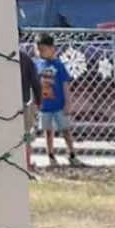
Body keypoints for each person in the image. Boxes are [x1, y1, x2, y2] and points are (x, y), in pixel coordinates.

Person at [35, 32, 78, 167]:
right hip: (45, 106)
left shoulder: (59, 65)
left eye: (44, 49)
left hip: (59, 105)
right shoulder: (37, 65)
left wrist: (68, 103)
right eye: (39, 50)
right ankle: (51, 155)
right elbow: (36, 84)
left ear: (53, 49)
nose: (41, 53)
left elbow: (65, 85)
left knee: (65, 129)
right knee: (48, 131)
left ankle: (71, 153)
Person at [19, 44, 41, 178]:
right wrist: (38, 101)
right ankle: (26, 164)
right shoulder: (25, 58)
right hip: (23, 103)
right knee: (25, 135)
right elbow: (36, 82)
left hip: (5, 103)